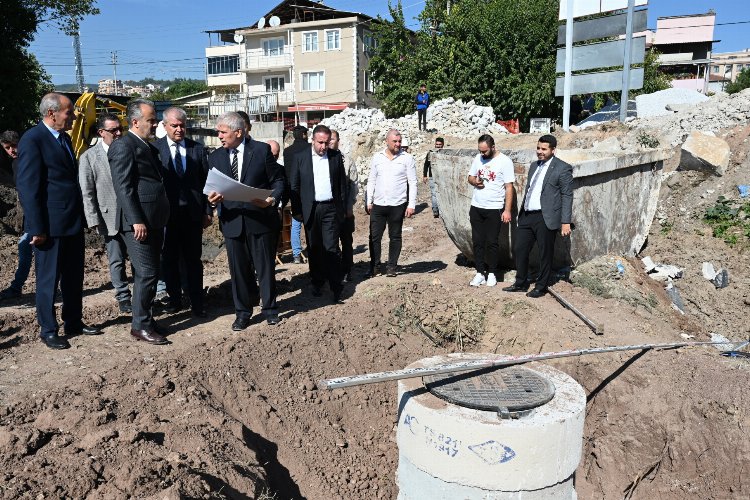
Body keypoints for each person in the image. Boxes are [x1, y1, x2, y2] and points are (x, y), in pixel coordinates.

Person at [16, 93, 102, 349]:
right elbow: (28, 187)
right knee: (48, 279)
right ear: (52, 113)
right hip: (50, 226)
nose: (74, 116)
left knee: (74, 277)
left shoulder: (63, 139)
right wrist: (37, 227)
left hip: (71, 221)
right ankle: (49, 329)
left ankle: (73, 321)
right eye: (69, 112)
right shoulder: (33, 139)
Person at [206, 112, 284, 329]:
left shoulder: (260, 151)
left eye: (223, 132)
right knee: (238, 271)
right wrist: (212, 200)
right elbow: (210, 189)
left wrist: (271, 199)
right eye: (219, 131)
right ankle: (242, 312)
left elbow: (278, 180)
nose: (219, 136)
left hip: (259, 219)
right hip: (232, 222)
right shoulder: (215, 157)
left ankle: (270, 309)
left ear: (238, 132)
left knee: (265, 268)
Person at [108, 98, 171, 344]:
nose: (155, 125)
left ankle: (145, 318)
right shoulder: (123, 146)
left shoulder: (147, 146)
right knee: (147, 272)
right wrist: (136, 220)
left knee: (150, 273)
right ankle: (140, 326)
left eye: (155, 120)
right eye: (151, 120)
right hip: (137, 222)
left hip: (153, 220)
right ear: (135, 121)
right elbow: (123, 187)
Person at [155, 107, 212, 318]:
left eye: (182, 125)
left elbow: (206, 182)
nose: (179, 130)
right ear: (164, 126)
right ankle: (175, 300)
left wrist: (208, 210)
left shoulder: (197, 149)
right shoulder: (156, 149)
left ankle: (197, 302)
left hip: (192, 215)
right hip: (166, 216)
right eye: (174, 126)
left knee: (193, 260)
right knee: (168, 259)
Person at [503, 134, 573, 298]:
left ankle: (541, 287)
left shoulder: (563, 168)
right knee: (520, 249)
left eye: (544, 149)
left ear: (553, 150)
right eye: (538, 148)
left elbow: (567, 195)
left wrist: (565, 222)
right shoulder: (534, 165)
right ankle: (520, 283)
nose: (540, 152)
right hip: (527, 215)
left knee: (545, 253)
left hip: (545, 217)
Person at [78, 114, 132, 313]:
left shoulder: (130, 150)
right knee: (116, 259)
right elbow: (87, 191)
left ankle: (145, 296)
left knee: (138, 258)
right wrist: (92, 218)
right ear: (101, 133)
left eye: (120, 129)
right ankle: (123, 296)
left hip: (132, 215)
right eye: (113, 130)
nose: (118, 133)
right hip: (108, 216)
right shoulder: (89, 157)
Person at [290, 124, 347, 303]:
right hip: (311, 209)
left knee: (331, 247)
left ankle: (336, 286)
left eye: (326, 143)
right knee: (314, 248)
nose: (323, 147)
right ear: (312, 140)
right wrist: (298, 212)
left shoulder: (336, 157)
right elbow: (294, 186)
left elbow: (341, 185)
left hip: (330, 208)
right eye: (320, 143)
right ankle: (317, 281)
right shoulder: (300, 158)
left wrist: (342, 209)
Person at [366, 129, 417, 277]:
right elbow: (372, 180)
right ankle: (374, 266)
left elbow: (412, 182)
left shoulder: (407, 158)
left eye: (399, 141)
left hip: (397, 204)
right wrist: (369, 200)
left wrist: (411, 204)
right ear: (386, 141)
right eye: (395, 141)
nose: (398, 144)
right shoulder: (377, 157)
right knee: (374, 237)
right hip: (379, 204)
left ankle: (391, 267)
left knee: (395, 236)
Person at [467, 134, 514, 287]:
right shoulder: (478, 158)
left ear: (493, 147)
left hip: (494, 208)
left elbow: (509, 187)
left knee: (492, 242)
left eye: (485, 151)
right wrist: (475, 181)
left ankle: (492, 273)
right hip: (477, 206)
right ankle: (480, 272)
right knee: (478, 241)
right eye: (480, 151)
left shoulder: (505, 161)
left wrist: (507, 210)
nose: (482, 154)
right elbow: (470, 177)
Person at [0, 131, 34, 301]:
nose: (12, 150)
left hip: (36, 217)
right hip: (28, 217)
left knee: (27, 250)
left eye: (14, 145)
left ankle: (16, 287)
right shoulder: (15, 163)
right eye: (7, 148)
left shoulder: (29, 161)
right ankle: (16, 287)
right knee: (25, 251)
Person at [329, 129, 358, 282]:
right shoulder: (322, 160)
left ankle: (348, 269)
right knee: (331, 243)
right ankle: (336, 270)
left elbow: (353, 186)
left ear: (338, 140)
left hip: (345, 210)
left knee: (346, 241)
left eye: (332, 139)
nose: (330, 142)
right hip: (329, 211)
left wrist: (349, 207)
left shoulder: (347, 161)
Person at [283, 125, 309, 264]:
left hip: (294, 192)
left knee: (296, 223)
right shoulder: (310, 149)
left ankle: (296, 255)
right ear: (304, 135)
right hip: (309, 192)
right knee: (310, 224)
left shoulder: (287, 152)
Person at [422, 136, 444, 218]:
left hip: (442, 177)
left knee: (441, 194)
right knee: (434, 194)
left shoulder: (445, 153)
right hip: (432, 176)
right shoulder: (430, 153)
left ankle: (441, 210)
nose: (438, 146)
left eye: (440, 144)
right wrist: (424, 175)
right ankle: (435, 210)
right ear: (435, 144)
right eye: (437, 144)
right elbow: (426, 165)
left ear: (443, 145)